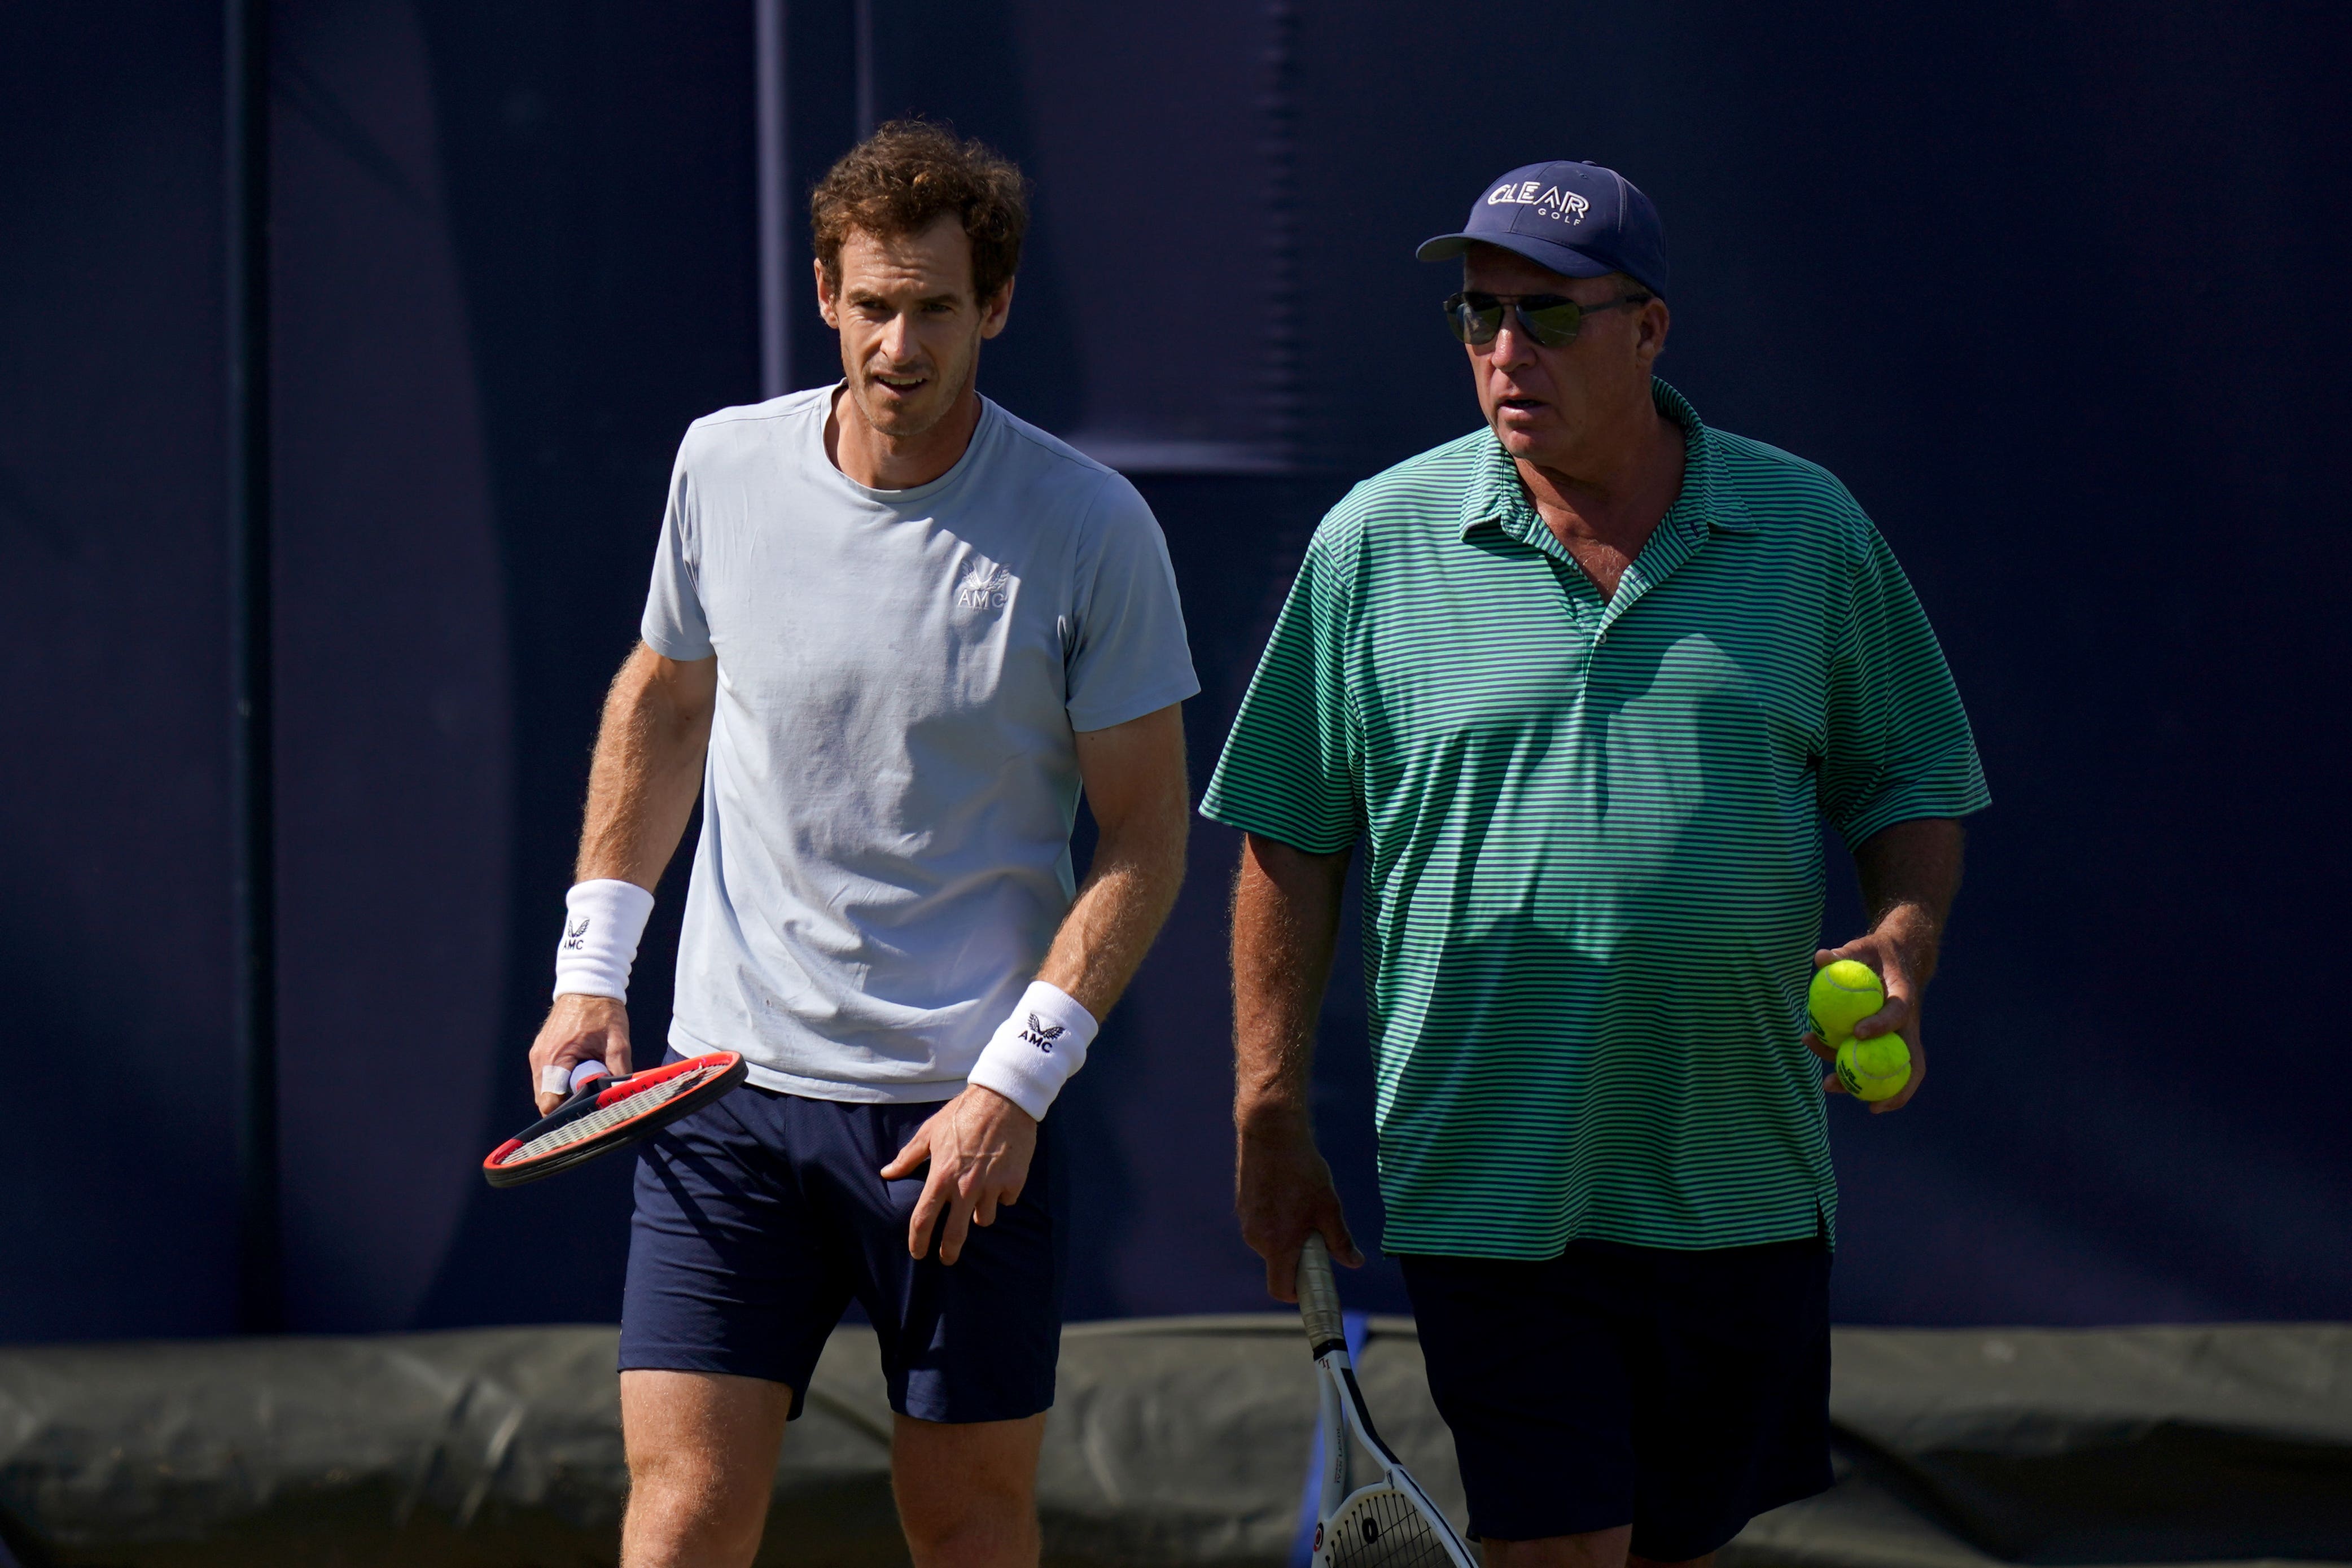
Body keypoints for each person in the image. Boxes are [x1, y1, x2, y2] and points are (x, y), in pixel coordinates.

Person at [1203, 160, 1989, 1566]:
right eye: (1477, 315)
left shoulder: (1803, 530)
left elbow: (1911, 781)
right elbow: (1288, 836)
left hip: (1734, 1175)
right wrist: (1269, 1104)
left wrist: (1901, 944)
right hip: (1487, 1178)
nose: (1505, 352)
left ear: (1649, 329)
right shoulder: (1372, 545)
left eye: (1549, 317)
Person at [525, 120, 1198, 1568]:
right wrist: (594, 969)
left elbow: (1144, 840)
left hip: (961, 1127)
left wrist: (1014, 1088)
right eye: (873, 304)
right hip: (723, 1099)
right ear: (826, 294)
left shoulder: (1091, 529)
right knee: (683, 1509)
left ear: (995, 308)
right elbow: (664, 703)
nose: (900, 343)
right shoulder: (722, 467)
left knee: (964, 1524)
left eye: (937, 308)